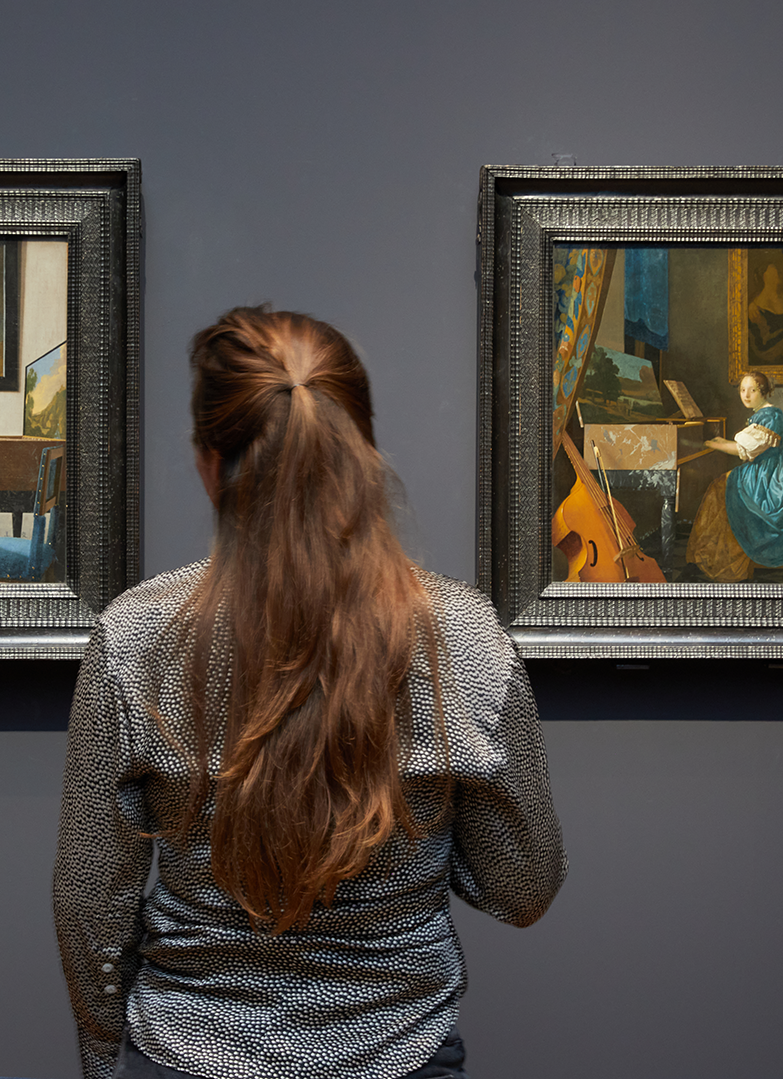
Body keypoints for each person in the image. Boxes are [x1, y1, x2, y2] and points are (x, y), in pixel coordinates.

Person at [54, 307, 566, 1079]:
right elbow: (521, 887)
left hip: (187, 1054)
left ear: (207, 462)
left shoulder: (136, 635)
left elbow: (90, 901)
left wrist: (103, 1061)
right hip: (398, 1056)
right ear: (358, 448)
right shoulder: (461, 634)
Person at [685, 371, 783, 582]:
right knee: (719, 489)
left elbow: (743, 449)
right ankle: (713, 552)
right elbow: (745, 445)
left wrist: (712, 444)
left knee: (721, 489)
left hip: (769, 476)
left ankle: (725, 555)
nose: (746, 395)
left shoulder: (770, 417)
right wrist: (718, 442)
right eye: (743, 390)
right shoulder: (761, 414)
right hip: (765, 469)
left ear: (764, 392)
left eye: (753, 390)